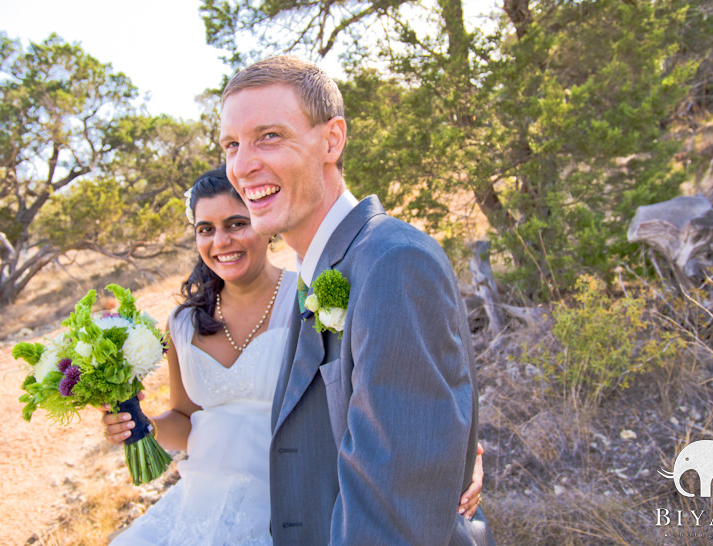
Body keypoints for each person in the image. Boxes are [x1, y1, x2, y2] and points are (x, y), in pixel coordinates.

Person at [100, 168, 484, 544]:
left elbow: (384, 386)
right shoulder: (182, 323)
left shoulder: (308, 295)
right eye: (206, 229)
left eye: (237, 223)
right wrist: (140, 424)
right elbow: (187, 419)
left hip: (294, 509)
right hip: (201, 507)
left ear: (264, 224)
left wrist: (464, 455)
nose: (221, 241)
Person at [219, 56, 494, 544]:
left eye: (269, 136)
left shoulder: (393, 263)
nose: (241, 166)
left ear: (332, 140)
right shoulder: (321, 270)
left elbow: (393, 511)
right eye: (232, 145)